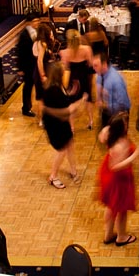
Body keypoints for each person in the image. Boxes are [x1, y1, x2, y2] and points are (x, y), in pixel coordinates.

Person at [41, 61, 87, 189]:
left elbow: (63, 100)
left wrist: (71, 93)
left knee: (70, 144)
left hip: (61, 122)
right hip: (54, 124)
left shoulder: (57, 86)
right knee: (62, 150)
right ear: (59, 74)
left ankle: (73, 171)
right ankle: (53, 176)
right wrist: (80, 101)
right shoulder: (53, 90)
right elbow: (66, 110)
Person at [97, 112, 139, 246]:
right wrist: (132, 157)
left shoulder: (108, 132)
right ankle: (121, 237)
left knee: (111, 206)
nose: (127, 125)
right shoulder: (121, 144)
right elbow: (114, 167)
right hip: (119, 179)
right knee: (121, 209)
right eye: (125, 124)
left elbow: (101, 137)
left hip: (108, 177)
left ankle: (108, 234)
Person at [60, 29, 94, 129]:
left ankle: (72, 127)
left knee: (72, 102)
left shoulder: (64, 52)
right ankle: (91, 121)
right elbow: (90, 64)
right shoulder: (87, 49)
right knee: (88, 99)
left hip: (73, 79)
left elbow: (65, 67)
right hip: (84, 77)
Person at [93, 52, 130, 130]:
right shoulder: (100, 74)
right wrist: (99, 98)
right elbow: (99, 84)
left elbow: (122, 104)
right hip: (107, 113)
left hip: (118, 116)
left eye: (96, 65)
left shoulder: (116, 80)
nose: (93, 68)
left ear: (104, 64)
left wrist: (105, 106)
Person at [16, 13, 41, 116]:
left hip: (36, 63)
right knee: (28, 86)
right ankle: (26, 108)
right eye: (35, 21)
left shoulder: (38, 31)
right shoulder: (24, 35)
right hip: (28, 65)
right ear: (29, 23)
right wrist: (20, 68)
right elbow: (20, 52)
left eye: (38, 21)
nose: (37, 23)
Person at [33, 23, 55, 127]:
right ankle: (42, 119)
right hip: (42, 72)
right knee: (42, 98)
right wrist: (43, 75)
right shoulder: (42, 44)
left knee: (42, 98)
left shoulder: (36, 42)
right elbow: (40, 61)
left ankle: (43, 118)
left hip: (36, 71)